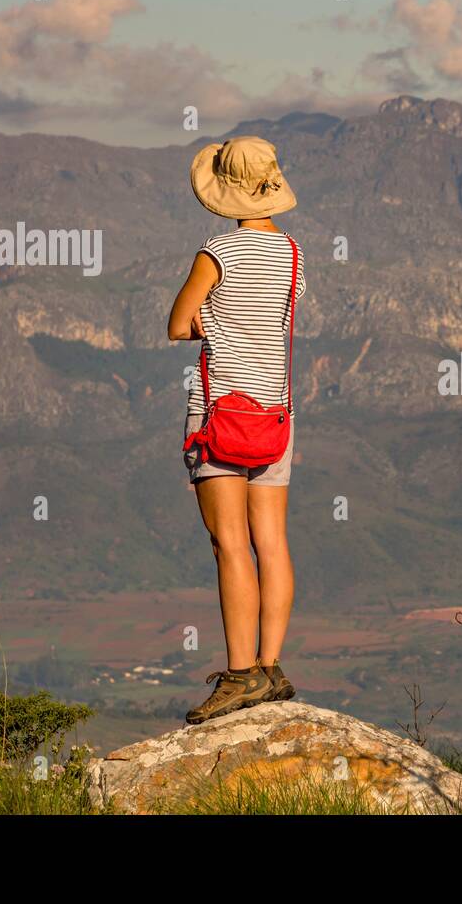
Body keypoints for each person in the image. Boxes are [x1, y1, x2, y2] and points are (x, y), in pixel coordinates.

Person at [167, 136, 306, 724]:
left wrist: (209, 325)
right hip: (275, 415)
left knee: (230, 545)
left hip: (221, 411)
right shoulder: (294, 254)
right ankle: (271, 667)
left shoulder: (217, 251)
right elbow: (272, 317)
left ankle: (240, 673)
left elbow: (177, 324)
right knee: (271, 541)